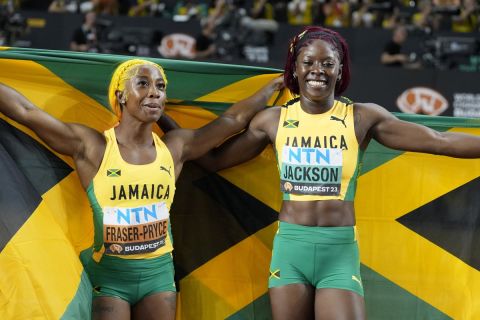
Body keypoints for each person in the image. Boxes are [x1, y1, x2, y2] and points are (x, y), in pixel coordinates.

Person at [190, 26, 480, 319]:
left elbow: (438, 141)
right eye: (308, 63)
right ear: (295, 69)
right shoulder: (273, 121)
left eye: (328, 63)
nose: (318, 70)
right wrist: (174, 141)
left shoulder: (360, 117)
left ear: (340, 71)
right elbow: (214, 160)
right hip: (291, 250)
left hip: (339, 253)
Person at [0, 58, 283, 320]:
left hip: (158, 280)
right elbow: (27, 112)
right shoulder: (94, 147)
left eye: (161, 86)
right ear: (121, 95)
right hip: (110, 282)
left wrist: (272, 86)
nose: (155, 92)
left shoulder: (175, 148)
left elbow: (231, 121)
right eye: (143, 83)